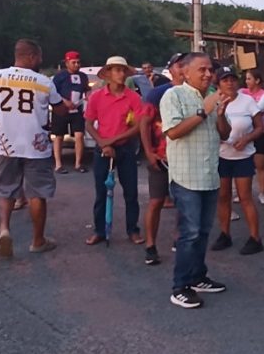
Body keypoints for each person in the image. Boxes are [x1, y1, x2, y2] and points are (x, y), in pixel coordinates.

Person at [160, 52, 232, 309]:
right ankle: (180, 286)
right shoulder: (174, 96)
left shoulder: (212, 95)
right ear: (185, 71)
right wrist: (204, 111)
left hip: (209, 176)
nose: (207, 74)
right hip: (185, 177)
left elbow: (225, 133)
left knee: (202, 232)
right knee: (188, 234)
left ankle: (198, 276)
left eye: (210, 70)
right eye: (201, 70)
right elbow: (174, 132)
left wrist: (220, 113)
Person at [0, 38, 69, 256]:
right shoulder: (43, 82)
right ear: (31, 56)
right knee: (37, 193)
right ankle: (37, 240)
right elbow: (60, 110)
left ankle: (4, 229)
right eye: (39, 57)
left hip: (6, 144)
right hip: (36, 146)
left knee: (6, 188)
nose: (41, 60)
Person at [83, 56, 146, 246]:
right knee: (101, 192)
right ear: (108, 74)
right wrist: (103, 143)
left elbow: (137, 126)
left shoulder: (133, 97)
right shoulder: (97, 97)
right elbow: (88, 123)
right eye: (116, 70)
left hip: (126, 148)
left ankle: (132, 230)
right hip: (103, 149)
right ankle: (99, 230)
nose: (120, 74)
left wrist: (113, 140)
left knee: (131, 192)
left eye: (123, 70)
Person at [210, 66, 264, 256]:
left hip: (243, 155)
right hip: (222, 154)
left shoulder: (247, 101)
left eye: (232, 79)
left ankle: (255, 237)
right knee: (223, 196)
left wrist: (247, 138)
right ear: (218, 84)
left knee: (245, 197)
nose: (230, 83)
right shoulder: (213, 102)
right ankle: (225, 233)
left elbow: (260, 127)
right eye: (225, 80)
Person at [139, 52, 186, 266]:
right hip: (160, 155)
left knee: (182, 201)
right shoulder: (158, 93)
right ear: (171, 70)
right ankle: (150, 245)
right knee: (156, 201)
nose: (183, 69)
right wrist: (148, 151)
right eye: (179, 65)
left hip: (185, 157)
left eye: (186, 65)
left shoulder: (194, 93)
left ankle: (179, 238)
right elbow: (144, 123)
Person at [50, 50, 89, 174]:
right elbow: (52, 92)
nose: (77, 65)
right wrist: (64, 101)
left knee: (79, 135)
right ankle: (58, 164)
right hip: (61, 110)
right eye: (74, 62)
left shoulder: (83, 76)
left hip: (77, 110)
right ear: (67, 63)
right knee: (59, 136)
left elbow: (86, 89)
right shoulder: (60, 76)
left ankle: (78, 163)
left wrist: (88, 95)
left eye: (78, 62)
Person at [238, 69, 264, 205]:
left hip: (259, 132)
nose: (246, 82)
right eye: (246, 79)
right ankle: (243, 192)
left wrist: (242, 110)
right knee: (242, 164)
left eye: (249, 79)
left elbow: (256, 110)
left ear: (257, 81)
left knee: (260, 164)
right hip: (244, 131)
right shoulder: (241, 92)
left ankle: (262, 192)